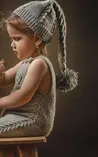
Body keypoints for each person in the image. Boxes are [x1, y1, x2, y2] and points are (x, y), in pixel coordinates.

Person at [0, 0, 78, 137]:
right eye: (11, 39)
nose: (12, 45)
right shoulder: (26, 63)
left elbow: (22, 96)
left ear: (37, 39)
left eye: (17, 39)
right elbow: (5, 79)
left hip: (33, 121)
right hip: (19, 117)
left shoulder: (39, 64)